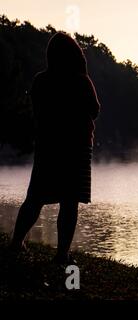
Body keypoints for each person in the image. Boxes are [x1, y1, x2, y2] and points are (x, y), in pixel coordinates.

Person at [10, 32, 100, 264]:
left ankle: (16, 242)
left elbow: (38, 113)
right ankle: (62, 254)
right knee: (69, 202)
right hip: (77, 148)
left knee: (35, 198)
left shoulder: (41, 80)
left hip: (47, 147)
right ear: (76, 56)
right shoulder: (81, 80)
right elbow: (95, 110)